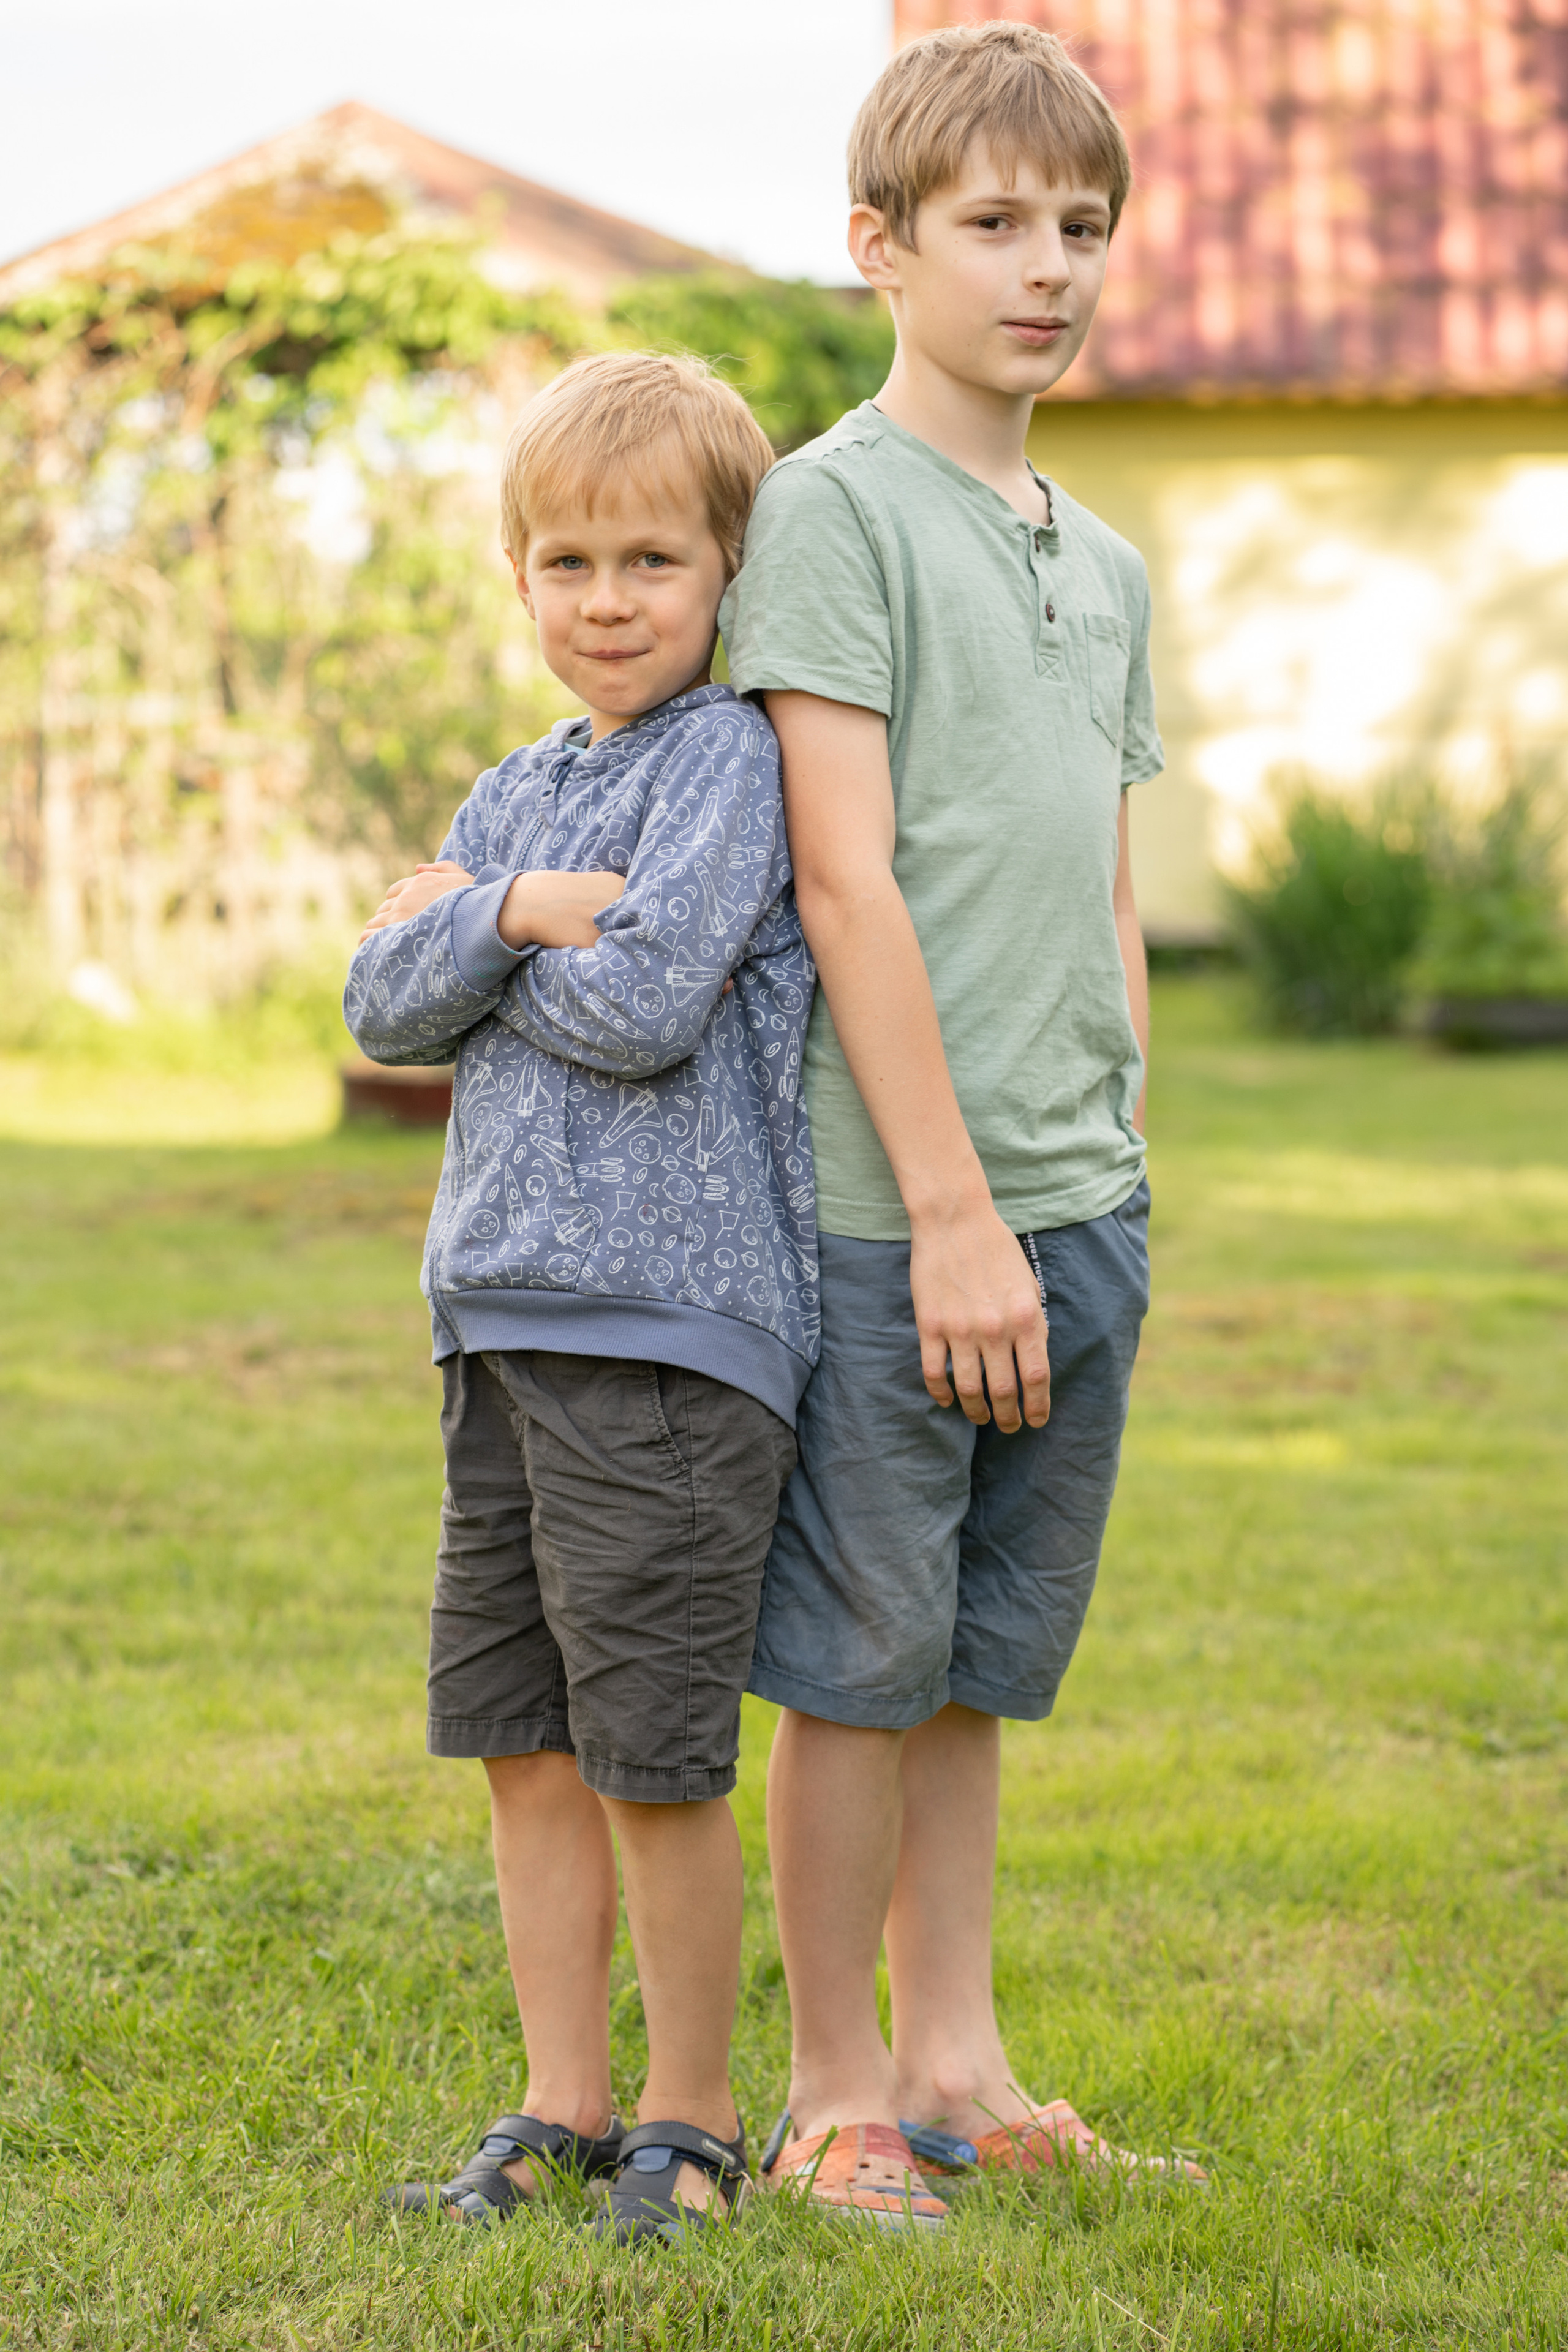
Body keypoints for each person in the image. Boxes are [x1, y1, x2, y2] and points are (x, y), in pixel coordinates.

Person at [720, 23, 1202, 2226]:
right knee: (856, 1659)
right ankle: (827, 2089)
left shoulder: (1098, 558)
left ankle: (959, 2063)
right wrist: (953, 1213)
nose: (1050, 270)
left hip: (1079, 1204)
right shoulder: (832, 510)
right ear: (878, 248)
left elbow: (1099, 882)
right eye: (996, 225)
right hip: (890, 1213)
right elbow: (846, 877)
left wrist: (1109, 1168)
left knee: (976, 1670)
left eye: (1082, 228)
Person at [344, 351, 816, 2243]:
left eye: (651, 561)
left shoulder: (729, 758)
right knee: (523, 1743)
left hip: (668, 1338)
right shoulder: (517, 789)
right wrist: (530, 906)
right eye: (566, 562)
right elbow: (380, 1010)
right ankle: (560, 2102)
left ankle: (687, 2120)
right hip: (499, 1325)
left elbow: (643, 1008)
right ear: (517, 575)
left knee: (648, 1751)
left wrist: (470, 926)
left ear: (723, 576)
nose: (607, 600)